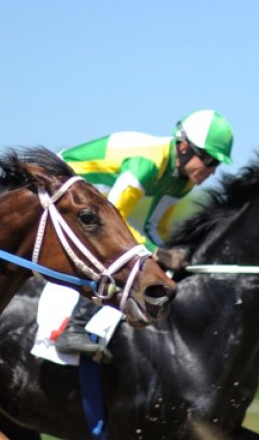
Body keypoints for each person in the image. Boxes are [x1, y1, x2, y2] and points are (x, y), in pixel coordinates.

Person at [54, 110, 234, 359]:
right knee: (113, 254)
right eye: (210, 160)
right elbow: (113, 220)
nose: (212, 170)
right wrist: (155, 251)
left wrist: (164, 255)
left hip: (90, 202)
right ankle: (73, 328)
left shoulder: (183, 182)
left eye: (217, 164)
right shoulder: (148, 163)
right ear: (184, 147)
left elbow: (154, 228)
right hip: (60, 187)